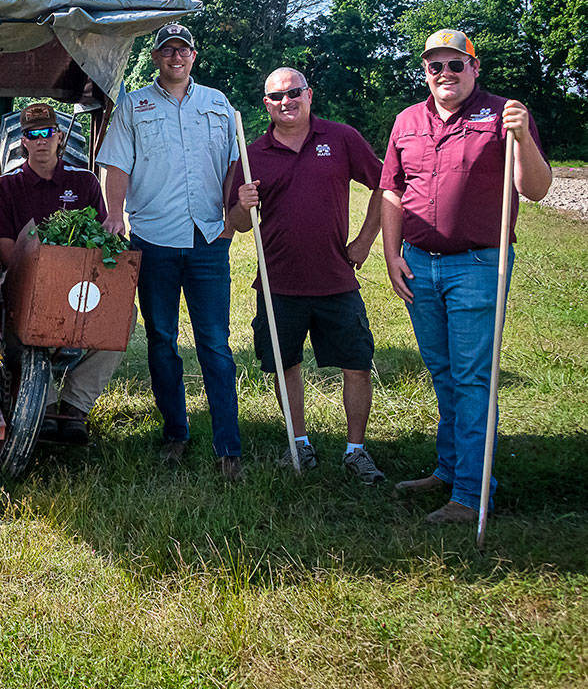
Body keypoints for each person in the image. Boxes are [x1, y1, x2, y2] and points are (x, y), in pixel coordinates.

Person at [380, 29, 551, 524]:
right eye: (435, 66)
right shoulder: (407, 120)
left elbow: (535, 189)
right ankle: (450, 469)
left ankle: (471, 495)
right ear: (425, 72)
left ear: (475, 68)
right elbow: (391, 191)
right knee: (443, 373)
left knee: (474, 378)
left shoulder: (503, 114)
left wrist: (520, 137)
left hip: (478, 264)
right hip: (418, 263)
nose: (445, 74)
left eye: (456, 64)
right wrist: (392, 255)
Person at [97, 22, 244, 478]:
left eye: (183, 50)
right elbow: (116, 164)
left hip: (207, 241)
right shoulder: (133, 105)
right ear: (157, 57)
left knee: (215, 344)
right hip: (153, 239)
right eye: (167, 51)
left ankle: (228, 447)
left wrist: (230, 223)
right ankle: (175, 433)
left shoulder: (220, 105)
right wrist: (114, 214)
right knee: (162, 340)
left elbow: (235, 169)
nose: (175, 58)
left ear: (193, 56)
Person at [228, 67, 387, 484]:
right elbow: (238, 224)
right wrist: (244, 205)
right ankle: (298, 443)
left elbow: (386, 185)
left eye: (293, 93)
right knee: (287, 366)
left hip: (336, 279)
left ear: (309, 94)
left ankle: (356, 451)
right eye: (277, 97)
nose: (286, 101)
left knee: (356, 364)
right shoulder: (251, 154)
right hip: (278, 283)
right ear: (266, 104)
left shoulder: (341, 139)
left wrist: (365, 241)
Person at [0, 101, 122, 445]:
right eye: (33, 134)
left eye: (48, 132)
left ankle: (75, 407)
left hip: (77, 286)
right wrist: (39, 274)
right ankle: (42, 406)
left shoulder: (85, 182)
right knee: (15, 320)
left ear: (60, 137)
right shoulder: (6, 187)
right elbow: (4, 248)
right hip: (28, 284)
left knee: (122, 318)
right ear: (24, 143)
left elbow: (98, 241)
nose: (41, 139)